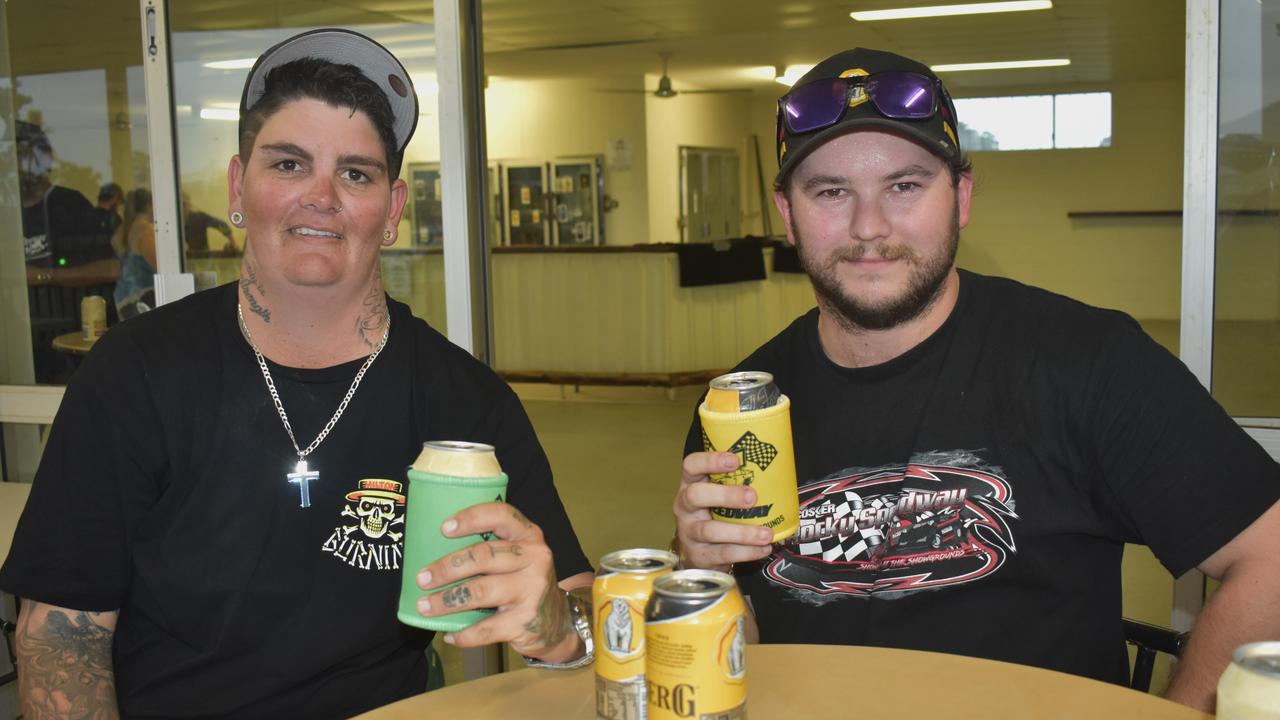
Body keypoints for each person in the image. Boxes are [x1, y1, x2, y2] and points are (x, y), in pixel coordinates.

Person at [1, 29, 593, 719]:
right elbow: (61, 636)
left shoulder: (461, 398)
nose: (321, 196)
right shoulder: (135, 374)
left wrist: (556, 624)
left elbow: (585, 611)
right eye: (288, 164)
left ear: (394, 210)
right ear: (237, 187)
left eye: (355, 173)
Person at [673, 48, 1280, 713]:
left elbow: (1270, 557)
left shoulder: (1088, 363)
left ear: (960, 197)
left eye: (904, 186)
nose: (868, 227)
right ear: (786, 213)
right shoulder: (741, 405)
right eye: (830, 191)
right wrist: (704, 574)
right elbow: (747, 649)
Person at [18, 120, 120, 382]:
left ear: (47, 158)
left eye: (27, 155)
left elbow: (110, 268)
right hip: (23, 352)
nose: (20, 166)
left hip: (75, 351)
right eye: (14, 156)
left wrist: (43, 275)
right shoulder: (8, 214)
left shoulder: (70, 205)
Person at [113, 187, 157, 319]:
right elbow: (160, 266)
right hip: (142, 300)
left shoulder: (123, 229)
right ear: (149, 205)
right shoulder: (145, 230)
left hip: (124, 297)